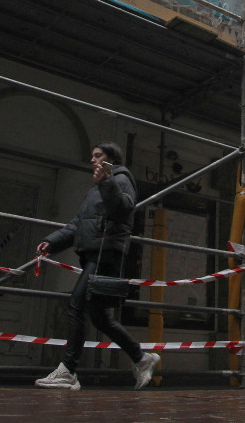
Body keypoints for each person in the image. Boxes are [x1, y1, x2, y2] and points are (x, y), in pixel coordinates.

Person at [34, 141, 160, 391]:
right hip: (95, 253)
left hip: (105, 254)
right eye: (92, 156)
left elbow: (125, 208)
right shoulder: (96, 187)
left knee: (77, 304)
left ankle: (68, 370)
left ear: (111, 159)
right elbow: (79, 223)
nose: (92, 160)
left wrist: (107, 181)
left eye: (97, 155)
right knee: (100, 318)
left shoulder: (120, 178)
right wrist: (51, 242)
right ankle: (142, 358)